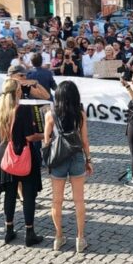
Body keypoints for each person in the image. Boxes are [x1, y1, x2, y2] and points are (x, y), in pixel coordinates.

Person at [0, 78, 45, 246]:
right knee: (28, 195)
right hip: (23, 153)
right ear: (18, 92)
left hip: (5, 154)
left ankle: (9, 231)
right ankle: (30, 232)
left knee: (10, 194)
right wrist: (44, 135)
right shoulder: (22, 110)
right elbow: (29, 136)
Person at [44, 81, 93, 252]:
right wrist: (89, 160)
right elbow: (85, 140)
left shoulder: (50, 115)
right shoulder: (80, 114)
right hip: (76, 156)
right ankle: (80, 238)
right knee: (79, 200)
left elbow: (47, 141)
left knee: (57, 201)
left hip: (58, 158)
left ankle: (58, 237)